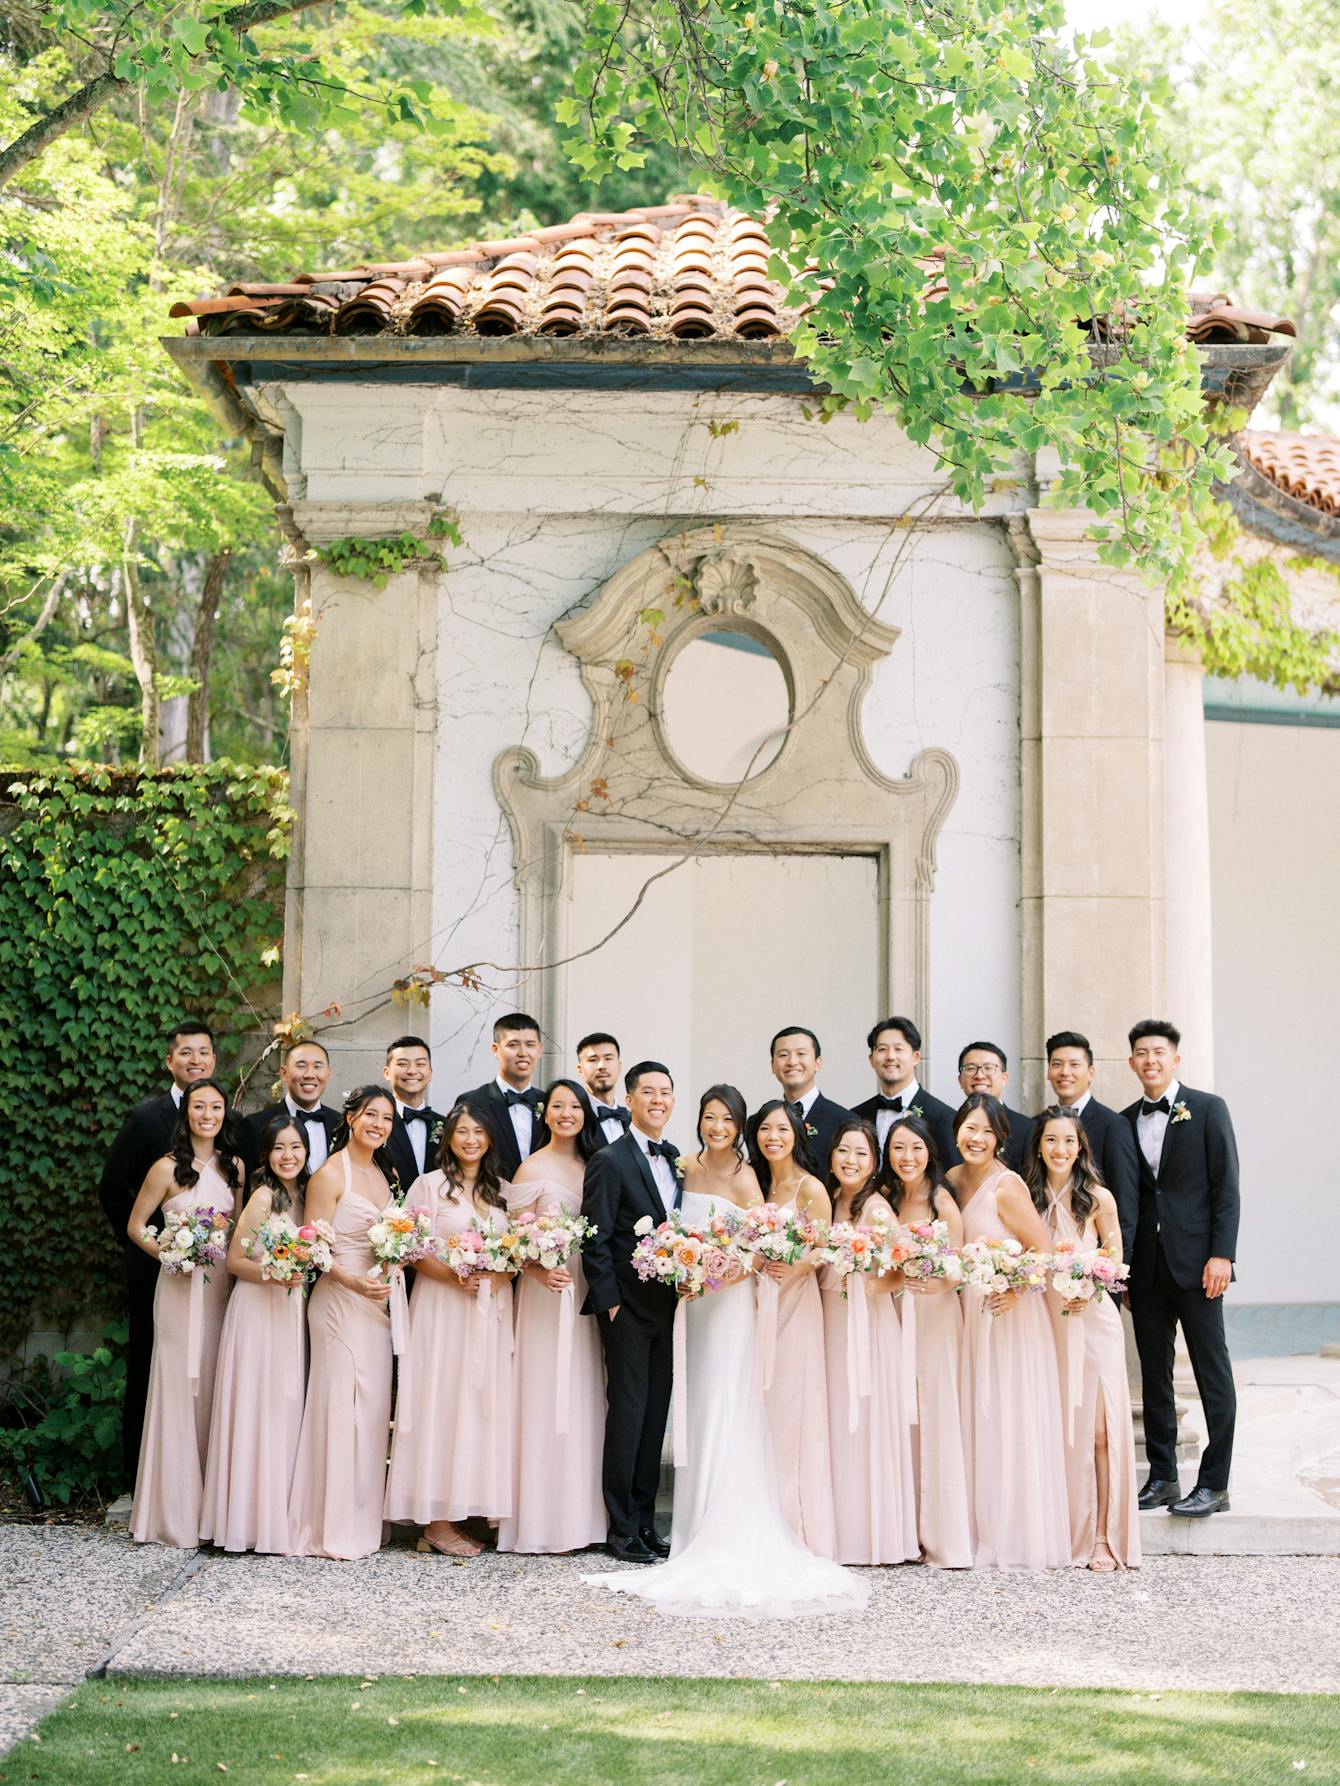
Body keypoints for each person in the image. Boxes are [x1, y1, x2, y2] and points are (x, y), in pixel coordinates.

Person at [583, 1087, 868, 1618]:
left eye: (728, 1120)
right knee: (688, 1406)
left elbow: (757, 1247)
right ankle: (685, 1525)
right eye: (709, 1117)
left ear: (739, 1127)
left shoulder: (747, 1176)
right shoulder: (682, 1167)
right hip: (689, 1306)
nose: (718, 1127)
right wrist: (685, 1269)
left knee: (726, 1403)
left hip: (728, 1304)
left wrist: (716, 1274)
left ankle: (723, 1522)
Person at [385, 1100, 516, 1557]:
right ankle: (435, 1522)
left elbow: (515, 1254)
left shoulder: (501, 1191)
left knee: (477, 1406)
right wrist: (454, 1276)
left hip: (488, 1312)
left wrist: (497, 1272)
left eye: (478, 1132)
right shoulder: (429, 1186)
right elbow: (410, 1249)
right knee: (439, 1402)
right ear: (449, 1138)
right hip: (441, 1308)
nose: (471, 1140)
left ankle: (462, 1512)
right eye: (462, 1131)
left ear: (490, 1139)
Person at [1123, 1020, 1240, 1520]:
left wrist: (1223, 1254)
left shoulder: (1208, 1108)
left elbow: (1226, 1186)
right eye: (1141, 1053)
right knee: (1154, 1376)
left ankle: (1214, 1483)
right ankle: (1163, 1477)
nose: (1150, 1060)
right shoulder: (1125, 1120)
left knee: (1212, 1374)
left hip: (1199, 1266)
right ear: (1132, 1062)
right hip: (1147, 1271)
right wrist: (1125, 1270)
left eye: (1159, 1052)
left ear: (1175, 1059)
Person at [950, 1094, 1070, 1569]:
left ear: (1000, 1137)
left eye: (986, 1131)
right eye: (969, 1128)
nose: (976, 1138)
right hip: (967, 1315)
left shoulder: (1007, 1187)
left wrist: (1016, 1290)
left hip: (1009, 1318)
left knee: (1005, 1415)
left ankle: (1015, 1533)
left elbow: (1044, 1252)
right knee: (975, 1415)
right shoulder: (951, 1181)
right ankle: (972, 1526)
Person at [97, 1018, 217, 1485]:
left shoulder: (225, 1118)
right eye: (186, 1052)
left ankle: (202, 1473)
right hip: (157, 1270)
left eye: (203, 1052)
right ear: (170, 1061)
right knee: (151, 1370)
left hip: (215, 1276)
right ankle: (140, 1479)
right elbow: (113, 1187)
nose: (195, 1060)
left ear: (214, 1059)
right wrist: (157, 1247)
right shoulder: (146, 1119)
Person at [127, 1077, 243, 1548]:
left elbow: (238, 1231)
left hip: (221, 1290)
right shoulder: (165, 1168)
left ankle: (212, 1511)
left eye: (215, 1107)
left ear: (224, 1114)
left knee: (215, 1385)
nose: (207, 1115)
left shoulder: (235, 1166)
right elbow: (137, 1226)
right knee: (177, 1387)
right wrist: (170, 1255)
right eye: (199, 1107)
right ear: (186, 1113)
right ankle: (172, 1514)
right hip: (177, 1288)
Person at [1025, 1108, 1140, 1572]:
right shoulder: (1026, 1197)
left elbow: (1115, 1264)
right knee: (1055, 1428)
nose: (1060, 1149)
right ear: (1039, 1146)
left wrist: (1088, 1286)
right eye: (1051, 1140)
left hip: (1093, 1323)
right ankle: (1058, 1531)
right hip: (1045, 1324)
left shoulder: (1098, 1199)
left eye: (1069, 1141)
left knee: (1099, 1431)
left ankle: (1102, 1536)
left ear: (1080, 1148)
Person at [287, 1086, 396, 1560]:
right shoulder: (331, 1173)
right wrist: (352, 1281)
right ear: (351, 1117)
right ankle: (328, 1523)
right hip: (338, 1301)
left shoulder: (385, 1172)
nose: (378, 1124)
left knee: (370, 1411)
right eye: (371, 1114)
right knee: (340, 1409)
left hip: (376, 1305)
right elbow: (313, 1247)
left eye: (386, 1118)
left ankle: (361, 1517)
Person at [498, 1080, 606, 1555]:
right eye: (558, 1106)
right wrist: (537, 1269)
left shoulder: (595, 1163)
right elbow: (511, 1240)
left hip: (586, 1290)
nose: (566, 1113)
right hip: (545, 1293)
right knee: (544, 1392)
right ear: (546, 1114)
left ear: (585, 1113)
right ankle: (540, 1521)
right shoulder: (532, 1167)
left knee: (584, 1391)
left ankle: (582, 1519)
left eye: (575, 1106)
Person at [579, 1060, 681, 1564]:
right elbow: (594, 1238)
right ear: (630, 1100)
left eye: (665, 1092)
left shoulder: (677, 1160)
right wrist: (612, 1305)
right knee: (628, 1414)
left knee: (655, 1414)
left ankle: (644, 1521)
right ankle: (620, 1528)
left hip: (669, 1308)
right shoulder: (610, 1159)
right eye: (648, 1092)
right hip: (627, 1310)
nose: (657, 1100)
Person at [201, 1116, 310, 1555]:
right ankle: (244, 1522)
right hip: (257, 1309)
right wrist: (274, 1273)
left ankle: (274, 1514)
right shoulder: (263, 1196)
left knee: (282, 1405)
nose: (288, 1156)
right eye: (279, 1148)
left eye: (296, 1147)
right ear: (266, 1154)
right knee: (256, 1405)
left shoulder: (304, 1195)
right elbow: (234, 1261)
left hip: (287, 1310)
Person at [820, 1118, 919, 1566]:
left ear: (874, 1163)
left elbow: (901, 1272)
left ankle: (871, 1534)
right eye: (844, 1150)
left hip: (868, 1325)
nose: (851, 1160)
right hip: (829, 1321)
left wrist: (865, 1286)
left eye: (861, 1153)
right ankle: (838, 1528)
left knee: (865, 1421)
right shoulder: (828, 1200)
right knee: (837, 1421)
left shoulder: (876, 1208)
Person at [881, 1114, 972, 1569]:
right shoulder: (884, 1197)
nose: (907, 1157)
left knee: (936, 1413)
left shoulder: (941, 1201)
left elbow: (960, 1265)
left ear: (929, 1153)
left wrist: (940, 1282)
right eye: (898, 1148)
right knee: (900, 1415)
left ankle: (943, 1534)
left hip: (935, 1315)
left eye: (916, 1148)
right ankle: (903, 1528)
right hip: (894, 1315)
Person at [748, 1098, 837, 1558]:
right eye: (766, 1129)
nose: (773, 1137)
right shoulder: (755, 1182)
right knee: (758, 1407)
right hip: (755, 1303)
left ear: (796, 1134)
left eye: (782, 1129)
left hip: (795, 1303)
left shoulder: (810, 1187)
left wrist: (797, 1266)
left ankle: (792, 1521)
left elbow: (824, 1247)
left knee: (789, 1403)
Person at [1042, 1030, 1140, 1267]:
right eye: (1057, 1064)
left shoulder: (1114, 1125)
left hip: (1092, 1271)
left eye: (1074, 1064)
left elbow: (1125, 1203)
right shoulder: (1037, 1125)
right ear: (1048, 1072)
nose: (1065, 1072)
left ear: (1091, 1072)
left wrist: (1116, 1274)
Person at [852, 1017, 960, 1167]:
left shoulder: (943, 1117)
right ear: (871, 1059)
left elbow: (952, 1173)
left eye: (898, 1049)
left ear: (915, 1057)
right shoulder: (856, 1116)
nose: (890, 1056)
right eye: (882, 1049)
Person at [458, 1012, 544, 1181]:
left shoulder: (550, 1103)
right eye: (513, 1045)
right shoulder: (472, 1102)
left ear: (539, 1050)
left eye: (530, 1045)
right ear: (495, 1049)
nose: (523, 1053)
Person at [243, 1039, 338, 1176]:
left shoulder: (340, 1124)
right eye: (301, 1066)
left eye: (317, 1066)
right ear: (284, 1073)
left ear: (328, 1074)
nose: (309, 1074)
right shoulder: (255, 1126)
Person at [766, 1026, 853, 1168]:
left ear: (818, 1063)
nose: (792, 1062)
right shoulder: (759, 1123)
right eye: (783, 1055)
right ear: (772, 1065)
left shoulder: (844, 1121)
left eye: (801, 1053)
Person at [382, 1034, 444, 1195]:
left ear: (430, 1072)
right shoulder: (375, 1125)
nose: (412, 1071)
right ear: (387, 1072)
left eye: (420, 1064)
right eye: (403, 1064)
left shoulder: (447, 1125)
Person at [956, 1042, 1031, 1173]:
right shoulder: (947, 1123)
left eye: (988, 1068)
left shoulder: (1027, 1129)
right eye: (971, 1068)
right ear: (960, 1080)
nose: (979, 1075)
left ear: (1004, 1078)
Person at [575, 1032, 631, 1146]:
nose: (601, 1066)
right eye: (593, 1060)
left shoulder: (635, 1121)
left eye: (608, 1058)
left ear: (619, 1066)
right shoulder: (573, 1118)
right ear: (580, 1069)